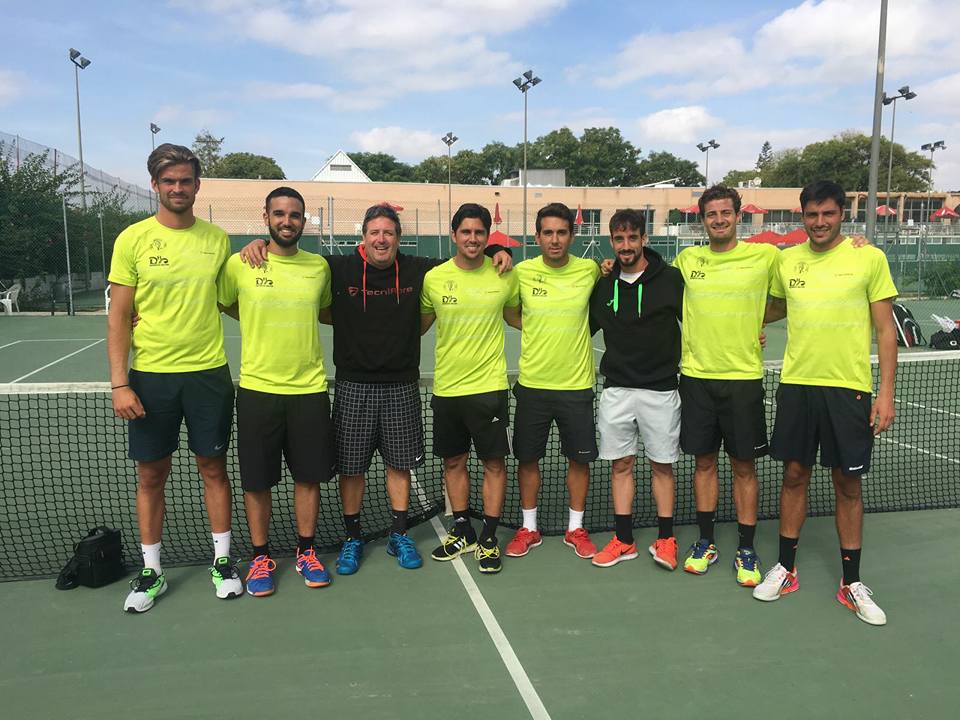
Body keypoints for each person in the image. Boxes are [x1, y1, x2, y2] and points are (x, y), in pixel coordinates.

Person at [241, 205, 511, 575]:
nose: (381, 239)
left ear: (399, 239)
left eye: (389, 233)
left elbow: (468, 256)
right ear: (363, 237)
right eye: (374, 233)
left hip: (401, 385)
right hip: (353, 385)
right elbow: (289, 259)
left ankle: (399, 534)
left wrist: (501, 249)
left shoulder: (421, 270)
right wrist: (259, 243)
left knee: (399, 466)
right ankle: (353, 537)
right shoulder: (335, 268)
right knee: (352, 469)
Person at [753, 180, 897, 627]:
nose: (819, 223)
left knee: (848, 485)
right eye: (812, 215)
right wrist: (748, 321)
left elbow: (886, 331)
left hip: (848, 390)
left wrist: (885, 393)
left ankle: (851, 583)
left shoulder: (867, 257)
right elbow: (774, 305)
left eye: (828, 214)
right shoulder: (787, 259)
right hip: (797, 386)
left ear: (842, 214)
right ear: (802, 217)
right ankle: (786, 568)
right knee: (794, 476)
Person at [108, 143, 241, 613]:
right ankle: (151, 572)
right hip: (150, 378)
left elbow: (230, 298)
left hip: (208, 374)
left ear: (197, 185)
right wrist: (119, 383)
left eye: (186, 181)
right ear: (155, 186)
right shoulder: (133, 239)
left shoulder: (217, 239)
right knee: (151, 474)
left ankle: (223, 563)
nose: (178, 188)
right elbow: (120, 315)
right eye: (169, 182)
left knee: (213, 469)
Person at [218, 187, 335, 596]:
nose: (288, 221)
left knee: (308, 478)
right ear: (265, 216)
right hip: (257, 391)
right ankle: (261, 558)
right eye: (280, 213)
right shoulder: (240, 264)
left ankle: (306, 552)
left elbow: (326, 309)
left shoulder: (319, 267)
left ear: (304, 220)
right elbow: (224, 303)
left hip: (308, 392)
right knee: (257, 483)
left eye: (295, 215)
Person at [672, 185, 779, 585]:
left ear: (738, 215)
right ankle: (705, 541)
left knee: (744, 466)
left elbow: (789, 292)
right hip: (697, 378)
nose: (718, 219)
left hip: (743, 380)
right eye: (711, 214)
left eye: (725, 212)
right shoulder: (687, 259)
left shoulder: (764, 256)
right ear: (702, 219)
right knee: (702, 463)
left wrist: (759, 320)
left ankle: (746, 548)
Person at [421, 203, 520, 574]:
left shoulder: (505, 276)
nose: (473, 239)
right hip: (447, 388)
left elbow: (517, 316)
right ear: (454, 236)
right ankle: (462, 527)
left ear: (487, 237)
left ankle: (490, 536)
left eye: (480, 233)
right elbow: (418, 325)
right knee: (454, 461)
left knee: (494, 463)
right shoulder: (434, 279)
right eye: (466, 232)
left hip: (489, 387)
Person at [503, 202, 601, 560]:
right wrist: (534, 329)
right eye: (548, 233)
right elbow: (511, 312)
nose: (555, 240)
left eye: (561, 232)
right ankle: (529, 528)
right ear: (537, 236)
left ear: (571, 236)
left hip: (577, 387)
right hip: (533, 385)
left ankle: (576, 528)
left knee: (579, 460)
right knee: (527, 459)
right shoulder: (522, 273)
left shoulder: (590, 270)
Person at [588, 209, 684, 570]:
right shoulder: (604, 285)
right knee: (621, 465)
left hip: (660, 391)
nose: (626, 245)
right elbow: (583, 327)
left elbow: (700, 318)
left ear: (644, 239)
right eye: (619, 238)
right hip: (616, 390)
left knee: (662, 466)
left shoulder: (671, 280)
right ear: (612, 241)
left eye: (632, 238)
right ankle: (624, 540)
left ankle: (666, 538)